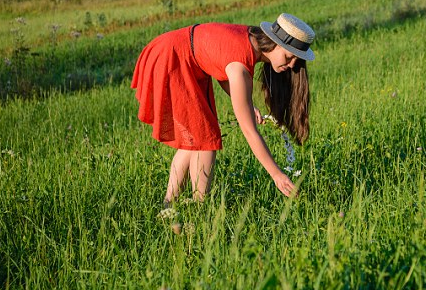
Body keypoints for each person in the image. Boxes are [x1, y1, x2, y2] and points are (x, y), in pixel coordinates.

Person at [131, 13, 315, 204]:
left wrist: (249, 105)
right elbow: (250, 132)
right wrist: (276, 174)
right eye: (288, 56)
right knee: (206, 139)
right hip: (172, 58)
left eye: (296, 60)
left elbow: (219, 61)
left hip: (180, 55)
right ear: (275, 43)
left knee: (195, 137)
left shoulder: (251, 40)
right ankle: (200, 206)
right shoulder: (240, 65)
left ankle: (169, 204)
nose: (292, 65)